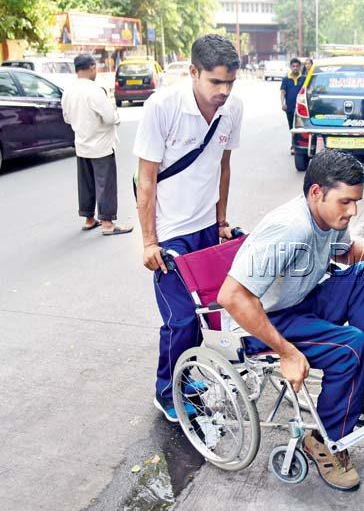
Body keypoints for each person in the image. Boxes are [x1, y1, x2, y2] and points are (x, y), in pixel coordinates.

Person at [218, 149, 364, 491]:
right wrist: (286, 352)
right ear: (317, 193)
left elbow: (347, 253)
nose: (353, 211)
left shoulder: (326, 219)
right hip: (259, 323)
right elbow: (232, 297)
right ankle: (323, 442)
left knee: (363, 277)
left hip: (299, 303)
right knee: (349, 348)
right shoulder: (290, 229)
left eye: (356, 202)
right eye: (345, 202)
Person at [133, 35, 243, 422]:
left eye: (230, 82)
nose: (224, 91)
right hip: (169, 233)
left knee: (206, 315)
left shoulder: (233, 110)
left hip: (205, 231)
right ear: (193, 72)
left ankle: (187, 376)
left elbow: (222, 167)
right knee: (179, 319)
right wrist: (149, 242)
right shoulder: (162, 107)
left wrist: (222, 221)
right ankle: (167, 390)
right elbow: (146, 178)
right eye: (215, 82)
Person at [61, 54, 133, 236]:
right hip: (101, 145)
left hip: (81, 144)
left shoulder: (68, 91)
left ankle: (89, 219)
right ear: (92, 67)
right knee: (105, 184)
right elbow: (110, 117)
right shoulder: (94, 90)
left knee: (86, 183)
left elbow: (67, 118)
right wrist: (116, 117)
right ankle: (107, 223)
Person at [280, 58, 305, 154]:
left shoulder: (303, 78)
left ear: (300, 67)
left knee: (298, 127)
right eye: (293, 66)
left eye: (297, 66)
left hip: (301, 108)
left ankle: (295, 145)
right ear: (291, 67)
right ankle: (294, 144)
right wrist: (283, 104)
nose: (295, 68)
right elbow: (282, 93)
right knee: (292, 127)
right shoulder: (286, 79)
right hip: (289, 108)